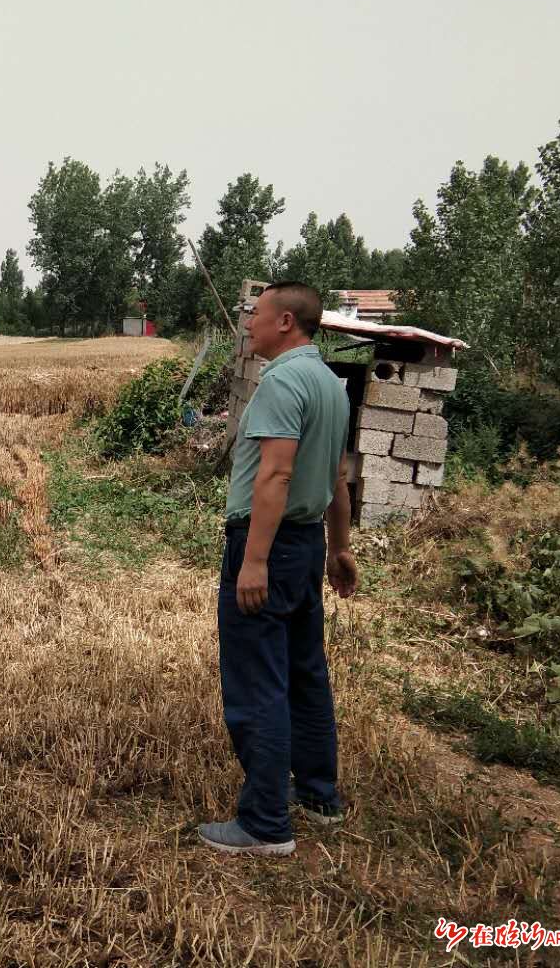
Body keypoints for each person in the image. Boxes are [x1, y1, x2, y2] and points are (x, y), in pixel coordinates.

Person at [199, 282, 359, 856]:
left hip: (270, 543)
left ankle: (265, 824)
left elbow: (275, 476)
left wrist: (254, 560)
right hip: (310, 543)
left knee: (257, 681)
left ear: (286, 321)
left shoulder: (282, 381)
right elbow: (339, 477)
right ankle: (318, 794)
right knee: (304, 672)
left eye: (256, 314)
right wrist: (339, 548)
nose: (248, 323)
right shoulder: (331, 385)